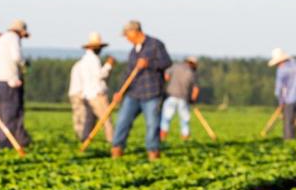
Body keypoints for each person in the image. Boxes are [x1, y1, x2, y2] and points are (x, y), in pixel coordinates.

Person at [112, 20, 172, 160]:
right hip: (133, 93)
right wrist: (120, 91)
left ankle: (153, 152)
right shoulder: (133, 51)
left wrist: (148, 64)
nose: (127, 39)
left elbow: (166, 62)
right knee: (122, 121)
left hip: (151, 93)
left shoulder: (156, 45)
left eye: (127, 35)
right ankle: (117, 148)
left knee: (152, 124)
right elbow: (128, 73)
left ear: (135, 31)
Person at [0, 19, 31, 149]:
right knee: (11, 113)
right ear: (21, 32)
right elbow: (16, 57)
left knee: (0, 114)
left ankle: (2, 141)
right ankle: (8, 143)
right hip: (9, 81)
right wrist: (24, 66)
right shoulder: (13, 38)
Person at [68, 32, 114, 142]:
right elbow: (100, 75)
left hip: (87, 95)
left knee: (89, 121)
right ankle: (113, 144)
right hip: (97, 94)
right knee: (107, 121)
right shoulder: (93, 60)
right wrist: (109, 65)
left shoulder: (83, 61)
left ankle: (84, 142)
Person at [268, 48, 296, 141]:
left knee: (288, 122)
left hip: (289, 99)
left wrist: (281, 101)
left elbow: (279, 88)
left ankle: (289, 140)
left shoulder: (281, 70)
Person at [160, 56, 199, 141]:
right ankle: (185, 139)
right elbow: (196, 89)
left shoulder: (175, 67)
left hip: (171, 96)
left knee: (166, 119)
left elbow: (166, 77)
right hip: (184, 99)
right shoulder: (192, 73)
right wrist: (192, 100)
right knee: (184, 120)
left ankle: (162, 138)